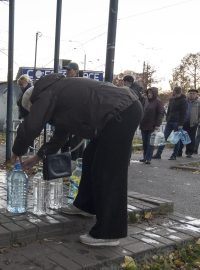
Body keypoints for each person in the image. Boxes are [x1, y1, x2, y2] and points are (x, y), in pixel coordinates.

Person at [12, 73, 143, 247]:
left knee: (108, 171)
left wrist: (16, 152)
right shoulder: (57, 93)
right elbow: (61, 134)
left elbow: (31, 125)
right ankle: (86, 205)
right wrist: (38, 157)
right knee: (90, 159)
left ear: (32, 103)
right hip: (116, 114)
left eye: (31, 111)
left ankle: (109, 233)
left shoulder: (45, 94)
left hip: (121, 112)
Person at [152, 86, 187, 160]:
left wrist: (181, 124)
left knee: (176, 140)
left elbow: (184, 113)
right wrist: (167, 118)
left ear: (176, 91)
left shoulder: (183, 100)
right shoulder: (172, 99)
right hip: (170, 121)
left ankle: (174, 155)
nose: (173, 92)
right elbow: (169, 110)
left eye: (174, 91)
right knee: (164, 138)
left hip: (177, 122)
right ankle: (158, 154)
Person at [62, 62, 85, 160]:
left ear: (75, 71)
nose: (67, 72)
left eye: (69, 70)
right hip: (68, 119)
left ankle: (76, 166)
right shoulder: (67, 82)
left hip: (78, 119)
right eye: (66, 70)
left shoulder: (80, 83)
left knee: (76, 144)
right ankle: (66, 166)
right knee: (64, 144)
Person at [139, 87, 164, 164]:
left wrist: (157, 125)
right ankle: (145, 157)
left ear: (155, 93)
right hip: (144, 124)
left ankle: (148, 158)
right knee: (145, 142)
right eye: (148, 93)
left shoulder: (158, 102)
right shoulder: (145, 100)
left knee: (150, 143)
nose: (149, 94)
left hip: (152, 126)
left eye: (151, 93)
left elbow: (160, 114)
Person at [178, 89, 200, 158]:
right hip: (183, 122)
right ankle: (179, 152)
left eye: (193, 93)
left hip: (193, 123)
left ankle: (189, 152)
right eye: (190, 93)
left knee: (191, 138)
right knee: (181, 137)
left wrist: (198, 121)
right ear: (188, 94)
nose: (192, 95)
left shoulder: (198, 103)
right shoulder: (184, 102)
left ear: (197, 95)